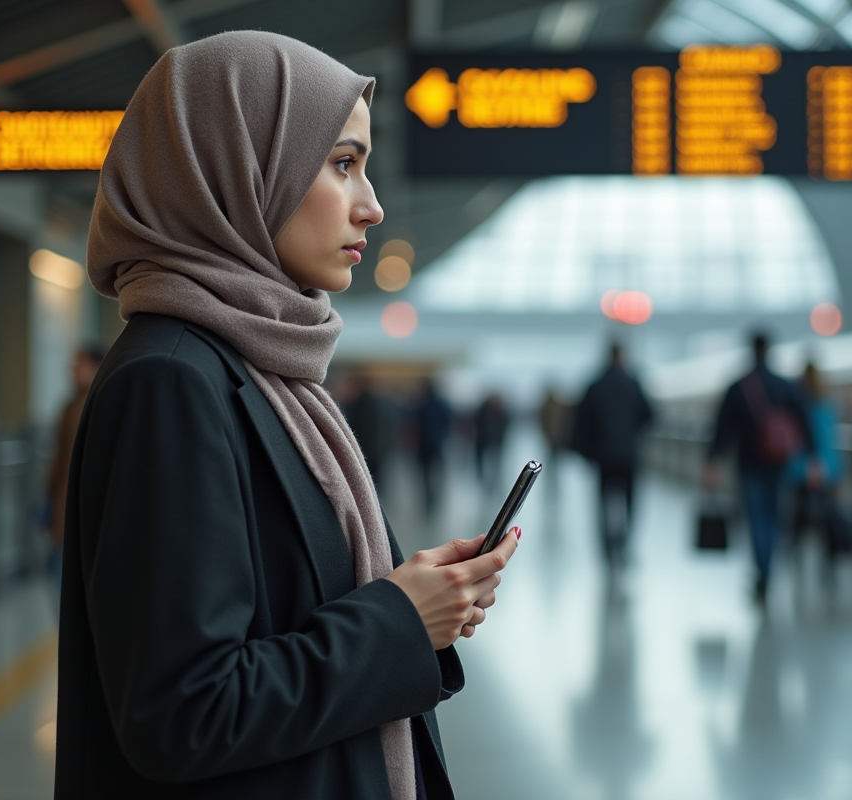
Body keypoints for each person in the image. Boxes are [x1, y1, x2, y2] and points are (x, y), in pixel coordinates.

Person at [57, 32, 518, 800]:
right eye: (343, 163)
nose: (371, 206)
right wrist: (401, 621)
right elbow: (183, 712)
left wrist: (417, 595)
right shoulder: (170, 380)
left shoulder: (266, 370)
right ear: (237, 165)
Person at [703, 332, 818, 604]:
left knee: (757, 519)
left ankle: (762, 574)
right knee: (777, 518)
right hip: (780, 464)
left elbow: (722, 429)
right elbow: (804, 421)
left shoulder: (739, 387)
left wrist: (713, 460)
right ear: (770, 349)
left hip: (749, 464)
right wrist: (813, 459)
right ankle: (769, 570)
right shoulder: (786, 386)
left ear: (750, 349)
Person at [573, 343, 655, 568]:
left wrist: (585, 452)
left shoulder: (595, 385)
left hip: (604, 457)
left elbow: (581, 422)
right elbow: (649, 415)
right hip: (629, 456)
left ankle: (607, 550)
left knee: (603, 503)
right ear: (623, 356)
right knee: (630, 503)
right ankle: (625, 544)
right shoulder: (633, 383)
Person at [43, 345, 103, 606]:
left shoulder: (100, 400)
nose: (72, 371)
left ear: (95, 366)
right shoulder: (69, 406)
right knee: (57, 572)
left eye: (79, 364)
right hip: (63, 509)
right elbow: (58, 460)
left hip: (83, 510)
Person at [788, 362, 847, 582]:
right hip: (827, 472)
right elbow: (832, 443)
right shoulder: (827, 406)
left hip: (800, 472)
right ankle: (829, 565)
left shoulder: (797, 406)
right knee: (828, 520)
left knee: (800, 519)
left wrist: (804, 467)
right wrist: (836, 472)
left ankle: (796, 558)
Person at [413, 379, 452, 516]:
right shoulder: (443, 404)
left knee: (425, 473)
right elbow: (448, 422)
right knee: (438, 472)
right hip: (438, 443)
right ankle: (435, 496)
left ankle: (428, 497)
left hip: (424, 444)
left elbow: (415, 425)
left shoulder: (421, 405)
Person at [473, 392, 509, 491]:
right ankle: (486, 483)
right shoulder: (483, 412)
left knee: (495, 464)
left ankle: (494, 483)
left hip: (496, 442)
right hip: (484, 442)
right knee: (485, 465)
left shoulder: (501, 413)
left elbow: (504, 426)